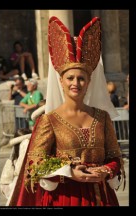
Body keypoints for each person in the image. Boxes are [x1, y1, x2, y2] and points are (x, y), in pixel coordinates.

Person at [8, 16, 125, 206]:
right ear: (61, 81)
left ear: (88, 82)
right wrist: (69, 171)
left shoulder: (102, 117)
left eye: (81, 79)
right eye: (70, 78)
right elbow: (35, 163)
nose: (75, 83)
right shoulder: (49, 120)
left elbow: (114, 157)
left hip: (101, 196)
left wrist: (105, 171)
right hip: (64, 196)